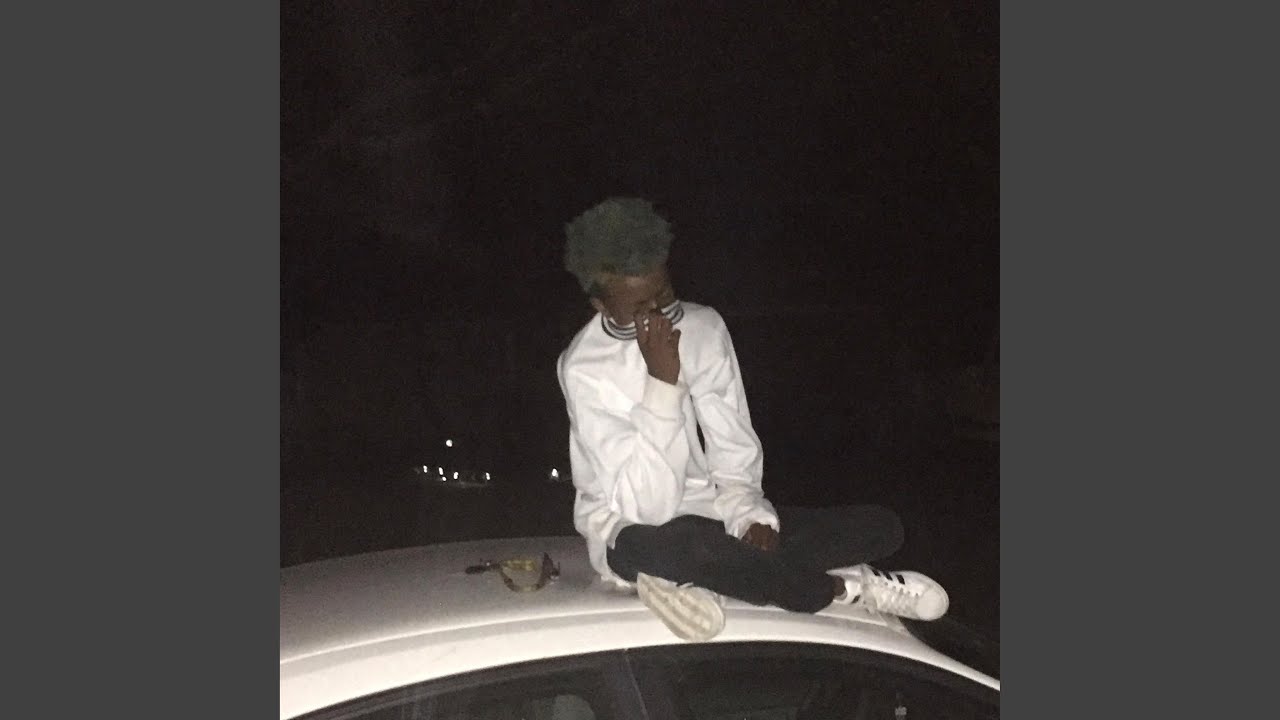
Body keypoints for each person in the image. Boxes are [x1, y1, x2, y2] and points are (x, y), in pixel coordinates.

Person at [556, 197, 949, 640]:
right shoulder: (584, 368)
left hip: (712, 518)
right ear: (601, 305)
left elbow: (733, 444)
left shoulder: (703, 328)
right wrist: (663, 384)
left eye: (664, 294)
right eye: (640, 306)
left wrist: (749, 515)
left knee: (882, 527)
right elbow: (648, 508)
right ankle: (842, 587)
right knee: (678, 548)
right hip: (631, 529)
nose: (659, 314)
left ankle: (707, 582)